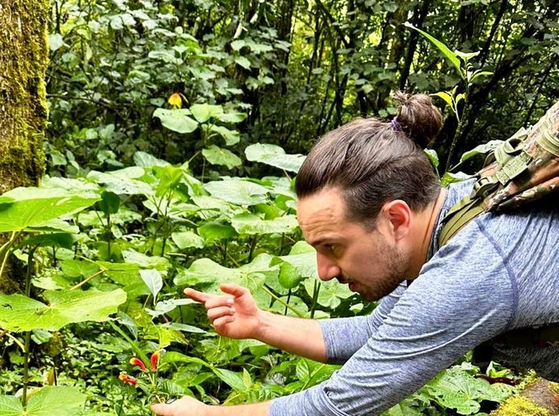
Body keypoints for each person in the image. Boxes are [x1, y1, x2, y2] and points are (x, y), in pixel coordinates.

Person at [151, 93, 559, 416]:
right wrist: (260, 324)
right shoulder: (452, 216)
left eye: (333, 246)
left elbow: (340, 404)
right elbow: (376, 333)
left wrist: (207, 415)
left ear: (395, 219)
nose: (324, 272)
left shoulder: (470, 271)